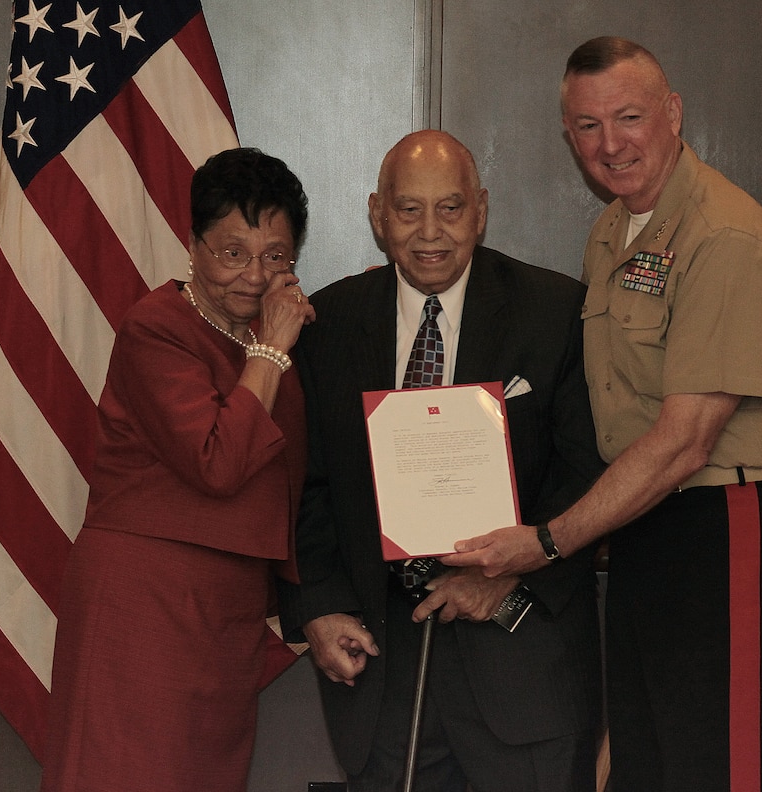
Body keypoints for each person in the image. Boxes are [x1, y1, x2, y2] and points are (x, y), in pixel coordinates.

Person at [443, 38, 762, 792]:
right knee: (651, 764)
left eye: (629, 117)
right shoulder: (616, 229)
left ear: (674, 114)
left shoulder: (726, 238)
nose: (610, 145)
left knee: (722, 771)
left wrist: (545, 542)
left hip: (726, 526)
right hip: (647, 527)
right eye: (586, 126)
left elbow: (685, 443)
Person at [278, 130, 605, 792]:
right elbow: (303, 486)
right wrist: (319, 605)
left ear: (481, 210)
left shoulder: (555, 312)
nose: (431, 232)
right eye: (408, 210)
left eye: (450, 208)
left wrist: (510, 573)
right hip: (383, 671)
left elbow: (589, 473)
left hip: (520, 659)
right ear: (377, 214)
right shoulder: (331, 324)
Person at [39, 147, 316, 792]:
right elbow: (216, 462)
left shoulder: (271, 336)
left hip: (226, 610)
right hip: (143, 606)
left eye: (275, 255)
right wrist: (272, 350)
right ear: (192, 245)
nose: (253, 275)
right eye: (232, 253)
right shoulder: (157, 330)